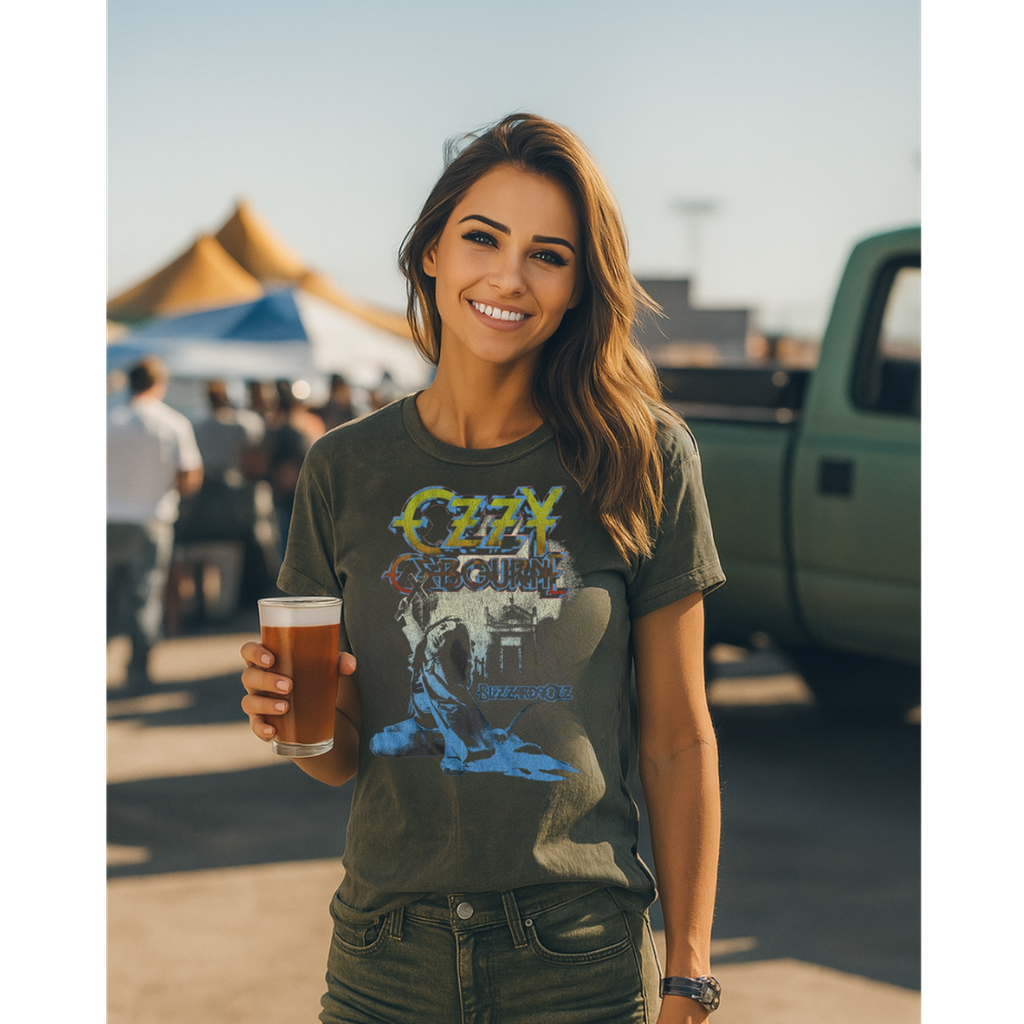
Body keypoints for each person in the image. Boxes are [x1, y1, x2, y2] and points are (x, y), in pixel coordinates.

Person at [241, 114, 725, 1023]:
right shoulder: (343, 470)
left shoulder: (642, 457)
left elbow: (676, 738)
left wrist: (690, 976)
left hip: (577, 956)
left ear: (582, 285)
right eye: (482, 238)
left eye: (548, 254)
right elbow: (340, 752)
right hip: (385, 957)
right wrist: (287, 723)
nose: (507, 276)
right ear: (431, 252)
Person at [105, 356, 203, 691]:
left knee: (107, 595)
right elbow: (190, 477)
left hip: (107, 519)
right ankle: (137, 673)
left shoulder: (107, 416)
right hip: (150, 520)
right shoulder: (170, 422)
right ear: (159, 384)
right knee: (143, 596)